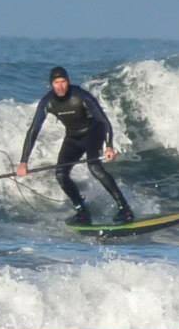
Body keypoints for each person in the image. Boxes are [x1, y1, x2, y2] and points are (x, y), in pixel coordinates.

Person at [17, 66, 133, 225]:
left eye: (63, 81)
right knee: (60, 174)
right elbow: (33, 130)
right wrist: (24, 162)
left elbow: (103, 121)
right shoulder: (47, 102)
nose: (60, 86)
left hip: (93, 132)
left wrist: (109, 146)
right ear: (51, 84)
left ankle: (124, 209)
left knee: (94, 167)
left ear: (68, 81)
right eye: (56, 82)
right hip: (73, 137)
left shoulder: (81, 95)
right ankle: (82, 212)